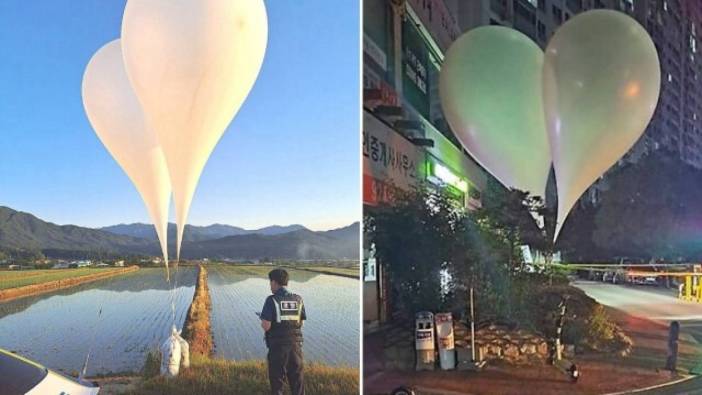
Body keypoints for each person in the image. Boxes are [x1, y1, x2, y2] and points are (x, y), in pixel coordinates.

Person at [260, 268, 306, 395]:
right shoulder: (298, 299)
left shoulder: (271, 300)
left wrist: (264, 320)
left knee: (278, 384)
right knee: (298, 383)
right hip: (296, 348)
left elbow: (266, 326)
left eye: (270, 283)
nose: (270, 286)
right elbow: (301, 323)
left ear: (274, 282)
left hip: (278, 349)